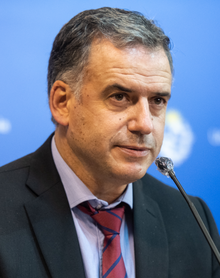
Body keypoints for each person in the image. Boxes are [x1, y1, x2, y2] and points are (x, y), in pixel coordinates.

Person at [0, 7, 219, 278]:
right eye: (119, 97)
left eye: (157, 101)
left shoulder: (193, 220)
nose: (145, 124)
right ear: (62, 102)